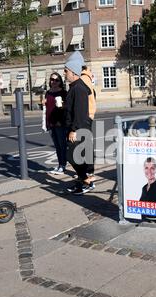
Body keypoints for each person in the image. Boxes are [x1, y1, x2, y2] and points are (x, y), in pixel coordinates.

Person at [64, 51, 94, 195]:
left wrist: (74, 129)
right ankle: (83, 182)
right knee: (78, 156)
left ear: (73, 72)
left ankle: (86, 181)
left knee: (72, 156)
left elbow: (80, 112)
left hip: (79, 128)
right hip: (76, 127)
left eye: (66, 71)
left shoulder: (79, 88)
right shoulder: (75, 86)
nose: (64, 73)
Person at [42, 72, 68, 175]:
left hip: (60, 122)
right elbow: (46, 108)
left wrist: (62, 105)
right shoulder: (48, 93)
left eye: (57, 80)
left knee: (62, 145)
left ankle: (63, 165)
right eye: (52, 80)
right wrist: (43, 103)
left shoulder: (64, 93)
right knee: (57, 146)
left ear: (60, 82)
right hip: (51, 122)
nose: (54, 82)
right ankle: (60, 164)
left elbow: (68, 107)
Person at [80, 65, 97, 182]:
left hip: (84, 117)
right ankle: (89, 172)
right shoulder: (88, 80)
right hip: (88, 117)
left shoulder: (82, 80)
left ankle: (88, 174)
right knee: (87, 144)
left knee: (85, 146)